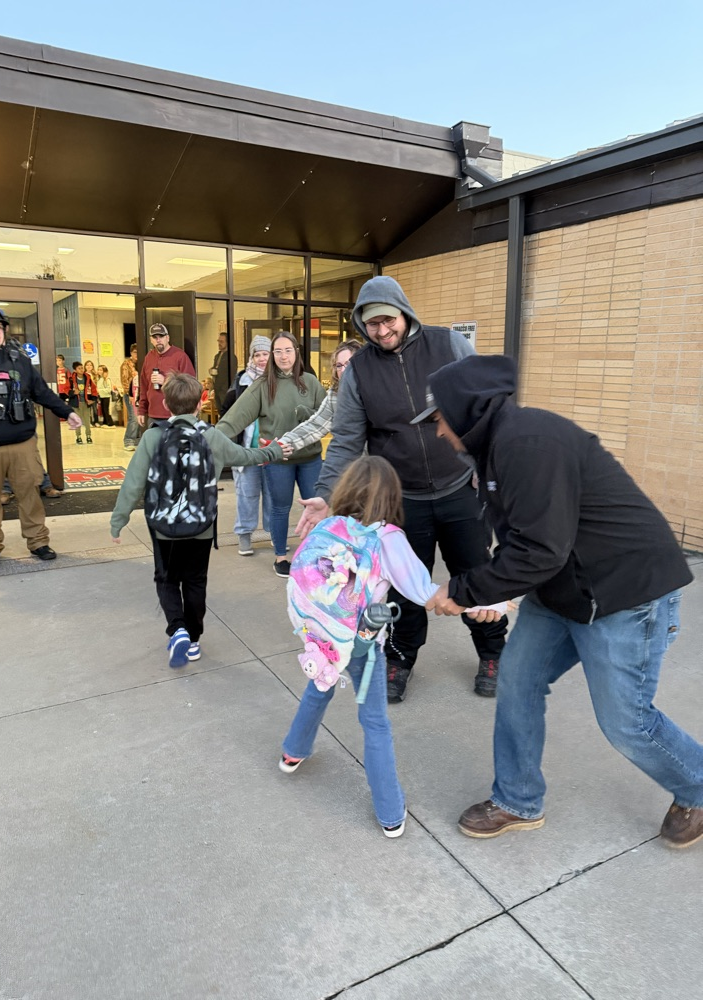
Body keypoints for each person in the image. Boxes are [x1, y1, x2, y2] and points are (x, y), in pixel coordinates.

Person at [419, 354, 703, 849]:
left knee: (626, 723)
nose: (439, 433)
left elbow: (540, 548)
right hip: (562, 591)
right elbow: (524, 540)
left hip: (624, 593)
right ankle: (517, 799)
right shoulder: (495, 451)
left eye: (440, 419)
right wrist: (490, 594)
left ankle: (697, 788)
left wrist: (464, 592)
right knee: (517, 682)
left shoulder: (528, 442)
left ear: (464, 410)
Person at [296, 275, 507, 702]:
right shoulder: (359, 371)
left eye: (387, 319)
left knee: (476, 575)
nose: (381, 330)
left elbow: (485, 407)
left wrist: (486, 466)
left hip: (458, 488)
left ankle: (494, 653)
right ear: (361, 325)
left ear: (404, 312)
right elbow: (347, 439)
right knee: (402, 586)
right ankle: (400, 658)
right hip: (402, 498)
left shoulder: (448, 346)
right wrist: (324, 494)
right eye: (371, 324)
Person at [279, 456, 439, 838]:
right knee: (375, 723)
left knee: (320, 686)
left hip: (321, 638)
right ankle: (390, 810)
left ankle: (293, 751)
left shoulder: (331, 524)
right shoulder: (388, 540)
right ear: (392, 496)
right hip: (363, 644)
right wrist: (487, 601)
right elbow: (422, 591)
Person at [110, 372, 287, 667]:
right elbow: (245, 456)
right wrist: (275, 449)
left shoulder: (153, 437)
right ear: (201, 403)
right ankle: (193, 639)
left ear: (165, 404)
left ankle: (176, 628)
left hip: (163, 527)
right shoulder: (212, 436)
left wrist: (119, 520)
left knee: (166, 579)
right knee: (195, 581)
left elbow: (133, 483)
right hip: (201, 526)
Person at [0, 307, 81, 567]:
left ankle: (38, 542)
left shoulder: (18, 359)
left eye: (1, 327)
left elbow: (40, 392)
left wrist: (67, 412)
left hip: (22, 443)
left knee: (30, 495)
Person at [217, 331, 325, 577]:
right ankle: (281, 557)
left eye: (288, 350)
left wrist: (307, 415)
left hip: (310, 459)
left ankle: (318, 553)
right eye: (278, 351)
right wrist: (212, 440)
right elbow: (234, 418)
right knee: (279, 508)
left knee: (316, 507)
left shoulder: (311, 382)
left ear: (296, 352)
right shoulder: (262, 386)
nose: (283, 356)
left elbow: (327, 415)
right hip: (278, 459)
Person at [218, 335, 273, 557]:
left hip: (272, 450)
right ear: (251, 357)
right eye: (257, 354)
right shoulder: (241, 382)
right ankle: (244, 537)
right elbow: (226, 411)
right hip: (247, 451)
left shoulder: (280, 381)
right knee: (247, 496)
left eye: (265, 354)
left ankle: (274, 536)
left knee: (273, 495)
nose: (261, 359)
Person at [276, 339, 362, 454]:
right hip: (347, 462)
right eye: (339, 366)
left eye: (348, 364)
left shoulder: (378, 391)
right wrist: (282, 444)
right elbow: (315, 425)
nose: (343, 370)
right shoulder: (335, 395)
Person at [137, 323, 196, 429]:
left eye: (161, 336)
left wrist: (165, 381)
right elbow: (144, 386)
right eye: (155, 337)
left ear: (167, 338)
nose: (158, 340)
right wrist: (141, 410)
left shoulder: (180, 356)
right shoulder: (149, 358)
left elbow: (190, 386)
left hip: (175, 416)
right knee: (154, 445)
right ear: (151, 340)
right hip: (153, 415)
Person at [68, 362, 96, 444]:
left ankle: (88, 436)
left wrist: (93, 399)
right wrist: (73, 392)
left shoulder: (87, 378)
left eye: (82, 368)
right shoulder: (71, 379)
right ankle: (78, 436)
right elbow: (66, 389)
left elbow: (94, 389)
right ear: (75, 370)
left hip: (86, 402)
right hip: (76, 403)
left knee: (87, 421)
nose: (81, 370)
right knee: (77, 421)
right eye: (79, 368)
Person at [209, 332, 238, 413]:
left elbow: (231, 374)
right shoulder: (217, 356)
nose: (219, 343)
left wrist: (225, 389)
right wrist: (211, 370)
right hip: (217, 388)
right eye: (218, 341)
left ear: (227, 343)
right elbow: (216, 368)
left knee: (226, 411)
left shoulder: (231, 357)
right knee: (219, 411)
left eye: (222, 342)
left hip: (225, 389)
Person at [120, 344, 141, 451]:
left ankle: (136, 441)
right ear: (131, 353)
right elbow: (125, 380)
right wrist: (130, 395)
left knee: (139, 418)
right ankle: (128, 440)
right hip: (131, 394)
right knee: (133, 417)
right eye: (135, 352)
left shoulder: (142, 363)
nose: (137, 354)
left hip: (140, 394)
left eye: (138, 352)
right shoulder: (126, 364)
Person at [83, 360, 100, 426]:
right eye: (87, 365)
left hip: (93, 394)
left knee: (95, 408)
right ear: (85, 366)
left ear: (92, 366)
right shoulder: (83, 375)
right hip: (86, 394)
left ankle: (96, 421)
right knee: (87, 409)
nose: (89, 366)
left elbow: (97, 384)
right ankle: (88, 422)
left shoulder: (95, 375)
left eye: (90, 365)